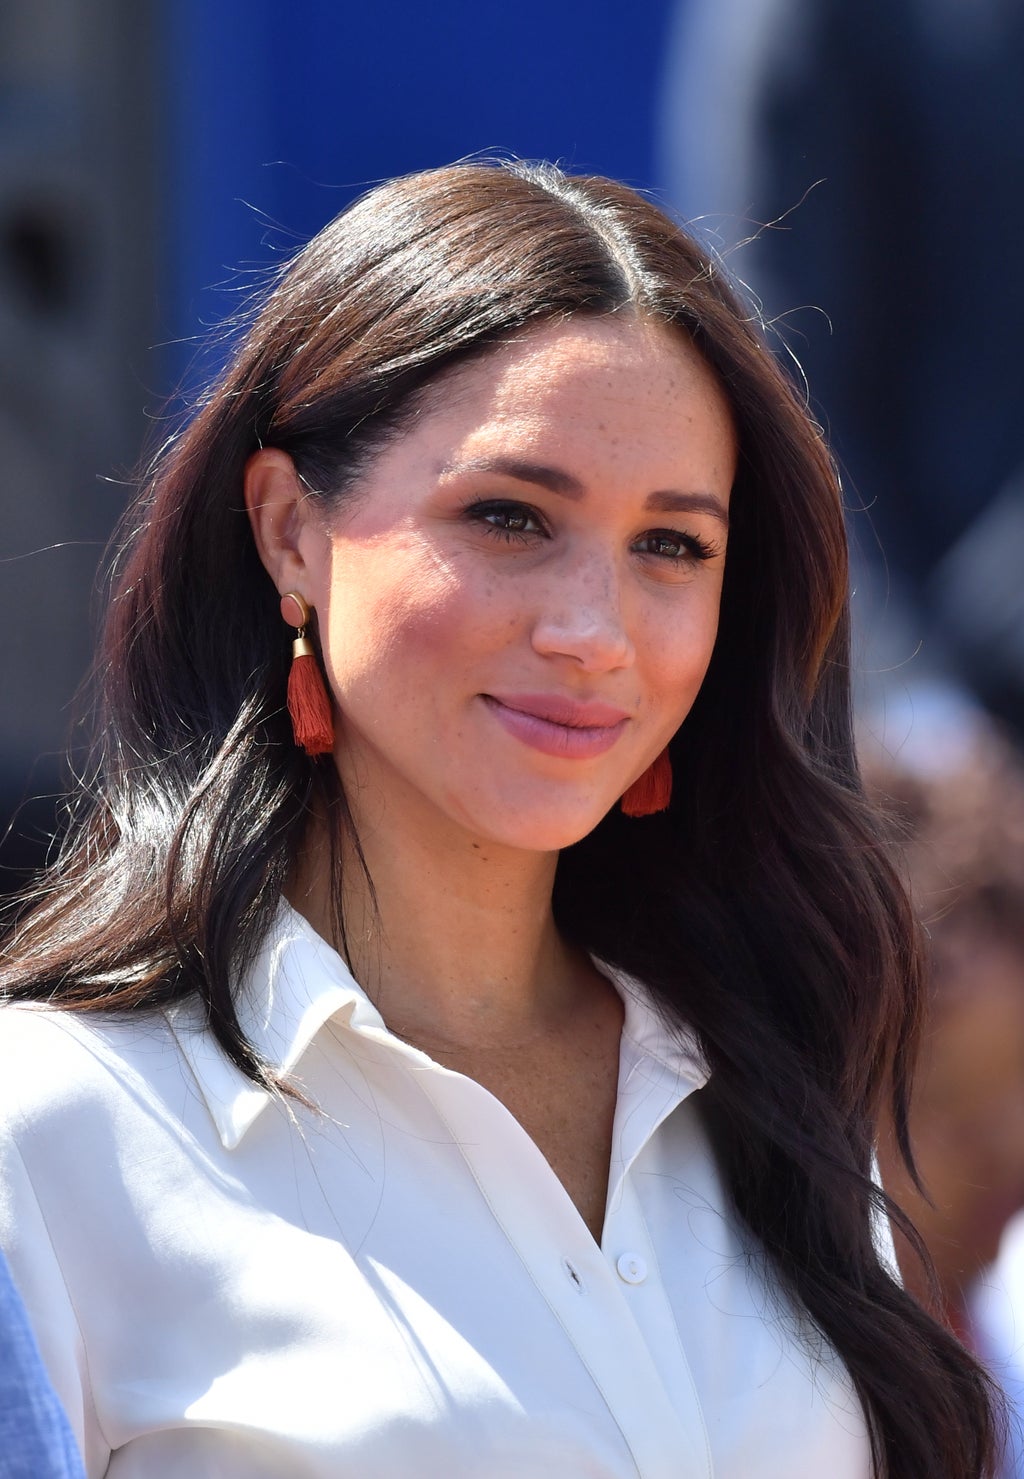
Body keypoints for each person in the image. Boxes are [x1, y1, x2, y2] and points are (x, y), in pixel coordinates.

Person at [0, 160, 998, 1477]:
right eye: (510, 517)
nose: (593, 632)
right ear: (291, 531)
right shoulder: (54, 1133)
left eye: (672, 545)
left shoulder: (771, 1092)